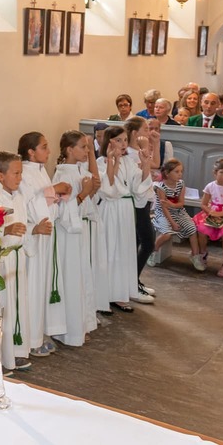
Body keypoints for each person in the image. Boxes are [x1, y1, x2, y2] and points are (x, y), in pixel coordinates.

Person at [15, 132, 70, 358]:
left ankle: (39, 332)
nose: (48, 151)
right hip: (34, 235)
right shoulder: (25, 172)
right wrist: (53, 191)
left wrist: (55, 195)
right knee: (33, 288)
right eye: (44, 147)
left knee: (44, 285)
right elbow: (29, 202)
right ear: (31, 151)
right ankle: (30, 338)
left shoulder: (40, 170)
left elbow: (44, 199)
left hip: (46, 233)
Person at [51, 132, 99, 346]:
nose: (87, 151)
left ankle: (81, 324)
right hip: (67, 234)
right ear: (69, 149)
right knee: (71, 279)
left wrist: (91, 191)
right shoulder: (62, 174)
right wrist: (84, 193)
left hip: (80, 231)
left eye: (88, 147)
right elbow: (62, 212)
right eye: (83, 147)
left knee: (82, 277)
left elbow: (85, 206)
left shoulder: (80, 170)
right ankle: (70, 330)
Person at [0, 151, 33, 371]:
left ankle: (17, 351)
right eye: (15, 173)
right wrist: (5, 229)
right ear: (0, 176)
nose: (20, 178)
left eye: (21, 173)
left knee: (18, 304)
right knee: (4, 307)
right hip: (3, 260)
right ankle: (1, 356)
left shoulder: (18, 196)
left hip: (18, 257)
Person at [97, 126, 139, 313]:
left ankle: (120, 294)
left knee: (123, 250)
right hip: (111, 208)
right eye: (119, 140)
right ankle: (104, 296)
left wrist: (146, 164)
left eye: (125, 140)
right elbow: (109, 186)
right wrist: (112, 162)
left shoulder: (129, 161)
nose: (123, 144)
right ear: (109, 142)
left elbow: (138, 185)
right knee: (110, 249)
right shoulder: (100, 162)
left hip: (126, 209)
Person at [123, 117, 156, 303]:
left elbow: (154, 164)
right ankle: (132, 283)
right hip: (137, 203)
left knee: (138, 242)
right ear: (135, 133)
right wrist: (145, 153)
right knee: (148, 242)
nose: (148, 132)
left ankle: (133, 281)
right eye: (145, 129)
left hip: (145, 201)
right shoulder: (130, 154)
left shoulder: (138, 152)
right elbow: (139, 179)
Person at [151, 159, 204, 270]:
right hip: (163, 213)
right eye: (176, 171)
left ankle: (195, 255)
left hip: (178, 212)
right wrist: (173, 223)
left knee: (192, 229)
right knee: (167, 234)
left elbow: (181, 203)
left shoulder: (181, 184)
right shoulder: (161, 187)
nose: (180, 174)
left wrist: (172, 205)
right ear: (167, 173)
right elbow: (164, 208)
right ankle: (153, 250)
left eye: (181, 171)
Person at [193, 159, 223, 277]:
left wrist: (221, 214)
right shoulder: (210, 186)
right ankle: (203, 253)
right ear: (215, 173)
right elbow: (203, 204)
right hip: (213, 212)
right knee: (202, 229)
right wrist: (210, 212)